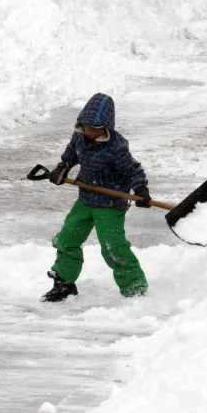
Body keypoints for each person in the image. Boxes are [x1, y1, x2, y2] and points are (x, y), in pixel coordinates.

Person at [41, 93, 151, 302]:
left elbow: (133, 171)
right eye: (85, 127)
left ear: (106, 127)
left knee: (113, 247)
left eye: (94, 129)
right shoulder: (79, 136)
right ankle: (64, 283)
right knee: (67, 239)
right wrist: (63, 166)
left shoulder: (116, 148)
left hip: (110, 204)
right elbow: (71, 154)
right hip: (86, 199)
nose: (89, 132)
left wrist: (140, 189)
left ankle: (135, 288)